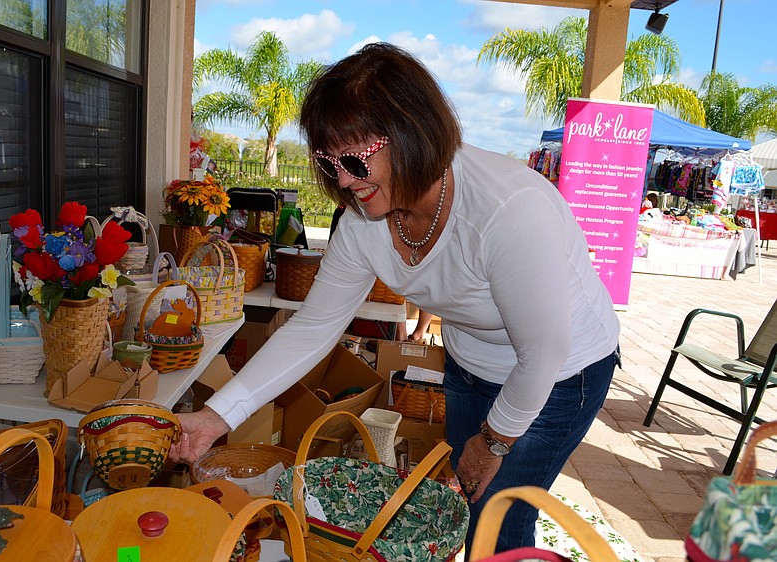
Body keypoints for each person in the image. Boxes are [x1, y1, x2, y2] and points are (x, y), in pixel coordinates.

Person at [170, 43, 620, 553]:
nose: (344, 180)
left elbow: (545, 351)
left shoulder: (509, 211)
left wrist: (494, 440)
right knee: (468, 506)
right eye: (329, 163)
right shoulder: (363, 220)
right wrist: (215, 418)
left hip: (562, 373)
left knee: (499, 521)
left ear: (412, 134)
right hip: (472, 363)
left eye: (354, 160)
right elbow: (313, 328)